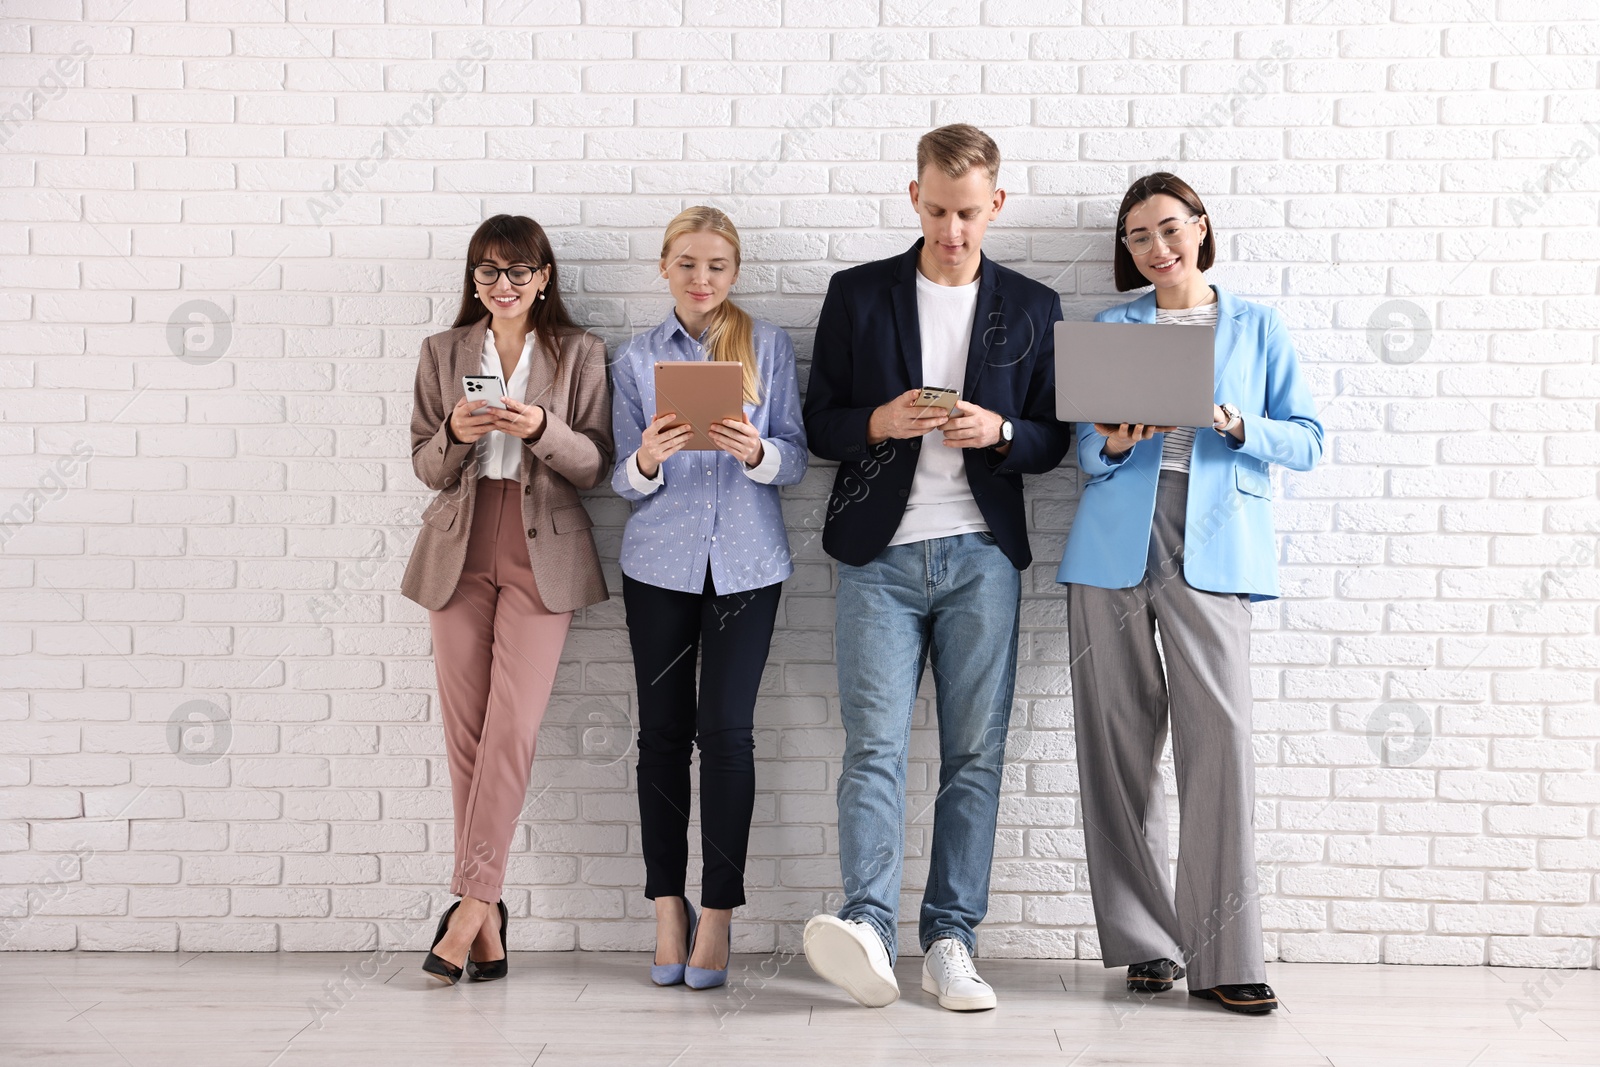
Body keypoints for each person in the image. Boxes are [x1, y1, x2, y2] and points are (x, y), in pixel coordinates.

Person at [800, 124, 1072, 1012]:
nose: (952, 230)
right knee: (872, 750)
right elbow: (818, 424)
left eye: (968, 212)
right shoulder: (858, 294)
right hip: (879, 556)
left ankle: (950, 938)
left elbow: (1053, 440)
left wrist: (998, 431)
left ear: (997, 203)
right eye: (937, 209)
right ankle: (869, 926)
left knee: (975, 758)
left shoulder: (1033, 305)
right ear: (911, 196)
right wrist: (877, 421)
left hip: (982, 556)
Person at [1056, 172, 1323, 1015]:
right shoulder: (1112, 327)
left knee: (1222, 741)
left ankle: (1226, 953)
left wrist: (1235, 422)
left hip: (1215, 541)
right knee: (1118, 743)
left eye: (1168, 228)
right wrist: (1117, 440)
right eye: (1137, 237)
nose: (1156, 248)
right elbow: (1086, 458)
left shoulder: (1257, 325)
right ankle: (1146, 944)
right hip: (1113, 545)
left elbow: (1309, 440)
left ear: (1201, 227)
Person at [400, 214, 613, 985]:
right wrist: (457, 430)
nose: (504, 286)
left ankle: (468, 906)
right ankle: (485, 917)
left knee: (511, 728)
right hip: (459, 544)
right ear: (473, 280)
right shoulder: (443, 352)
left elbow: (594, 462)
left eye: (518, 271)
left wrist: (542, 427)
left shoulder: (580, 351)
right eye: (488, 272)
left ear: (545, 276)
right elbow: (425, 463)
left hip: (542, 548)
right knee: (466, 736)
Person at [610, 206, 808, 991]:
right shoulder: (633, 358)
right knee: (661, 737)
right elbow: (617, 479)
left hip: (748, 568)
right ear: (665, 267)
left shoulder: (769, 347)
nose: (702, 280)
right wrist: (649, 459)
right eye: (687, 264)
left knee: (727, 734)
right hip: (657, 565)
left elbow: (795, 459)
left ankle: (718, 913)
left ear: (735, 272)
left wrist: (757, 450)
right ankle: (667, 905)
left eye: (717, 266)